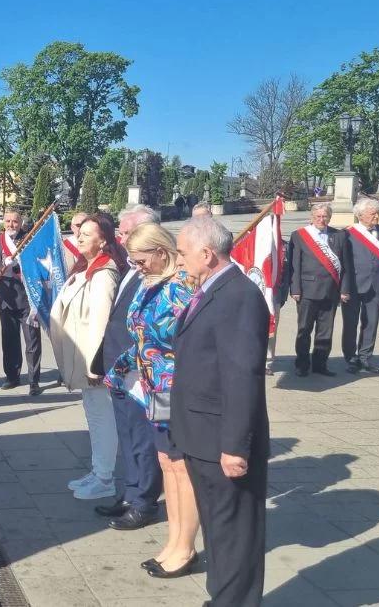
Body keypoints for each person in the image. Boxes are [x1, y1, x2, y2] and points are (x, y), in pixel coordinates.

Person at [174, 216, 270, 607]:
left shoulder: (239, 296)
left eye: (182, 253)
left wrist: (235, 445)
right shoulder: (212, 289)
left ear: (206, 253)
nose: (178, 260)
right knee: (218, 530)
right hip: (201, 434)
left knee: (235, 534)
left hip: (223, 440)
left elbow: (241, 375)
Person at [106, 222, 200, 578]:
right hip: (152, 389)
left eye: (141, 259)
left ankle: (185, 547)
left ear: (162, 252)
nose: (137, 267)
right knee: (167, 464)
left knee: (181, 468)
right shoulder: (151, 284)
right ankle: (174, 541)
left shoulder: (181, 288)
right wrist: (121, 368)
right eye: (132, 261)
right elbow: (142, 338)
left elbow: (185, 343)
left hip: (176, 389)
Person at [90, 205, 162, 530]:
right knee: (127, 435)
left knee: (143, 440)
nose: (118, 237)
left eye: (123, 232)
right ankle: (130, 493)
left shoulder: (157, 277)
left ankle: (144, 502)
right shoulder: (133, 268)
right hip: (119, 370)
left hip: (140, 374)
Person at [50, 214, 123, 500]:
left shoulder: (105, 273)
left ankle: (105, 478)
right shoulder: (88, 268)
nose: (78, 236)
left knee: (102, 418)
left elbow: (101, 323)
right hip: (83, 356)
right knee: (94, 416)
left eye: (87, 233)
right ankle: (97, 470)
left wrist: (96, 363)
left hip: (94, 362)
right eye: (79, 232)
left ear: (103, 241)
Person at [0, 208, 43, 395]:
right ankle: (12, 376)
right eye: (7, 221)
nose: (11, 225)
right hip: (5, 298)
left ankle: (34, 381)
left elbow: (38, 265)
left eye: (14, 222)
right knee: (9, 340)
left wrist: (18, 263)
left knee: (32, 341)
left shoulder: (29, 239)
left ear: (21, 223)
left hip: (27, 299)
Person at [289, 203, 349, 377]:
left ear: (329, 217)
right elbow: (295, 264)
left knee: (325, 331)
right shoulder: (299, 236)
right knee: (304, 330)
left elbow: (346, 266)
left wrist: (344, 289)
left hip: (331, 291)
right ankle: (301, 364)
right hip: (307, 291)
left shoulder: (339, 236)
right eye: (318, 216)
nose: (322, 220)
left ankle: (320, 364)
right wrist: (295, 289)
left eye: (325, 217)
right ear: (312, 217)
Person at [341, 197, 379, 374]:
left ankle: (365, 357)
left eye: (377, 213)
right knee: (350, 324)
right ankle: (351, 358)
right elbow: (342, 263)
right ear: (359, 215)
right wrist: (343, 288)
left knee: (371, 323)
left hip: (377, 287)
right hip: (353, 287)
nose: (377, 216)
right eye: (373, 213)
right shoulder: (347, 233)